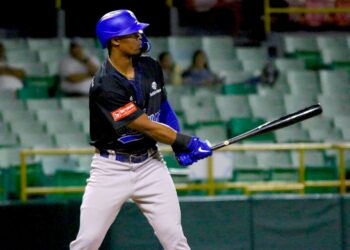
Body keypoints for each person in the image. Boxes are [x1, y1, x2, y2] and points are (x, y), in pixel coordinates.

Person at [70, 9, 212, 250]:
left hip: (150, 164)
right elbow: (145, 125)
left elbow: (163, 108)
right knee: (87, 242)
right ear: (115, 40)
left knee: (175, 240)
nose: (140, 36)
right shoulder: (106, 84)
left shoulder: (150, 66)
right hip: (111, 168)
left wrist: (177, 146)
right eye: (133, 33)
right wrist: (187, 141)